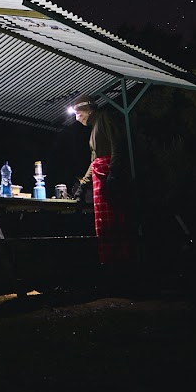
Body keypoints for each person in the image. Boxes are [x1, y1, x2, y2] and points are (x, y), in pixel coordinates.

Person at [69, 95, 136, 266]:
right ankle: (108, 263)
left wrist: (114, 172)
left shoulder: (104, 117)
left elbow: (117, 144)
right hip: (100, 177)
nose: (77, 118)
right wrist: (83, 185)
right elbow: (94, 161)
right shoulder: (93, 131)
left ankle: (121, 264)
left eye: (77, 113)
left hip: (109, 177)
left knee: (115, 224)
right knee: (103, 225)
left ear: (86, 109)